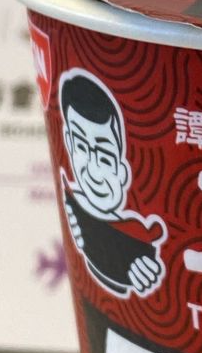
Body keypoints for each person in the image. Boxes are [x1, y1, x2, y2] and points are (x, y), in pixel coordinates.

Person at [57, 70, 166, 298]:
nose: (94, 170)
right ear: (68, 143)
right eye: (81, 147)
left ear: (122, 171)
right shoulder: (73, 198)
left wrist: (145, 266)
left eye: (105, 157)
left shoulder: (137, 240)